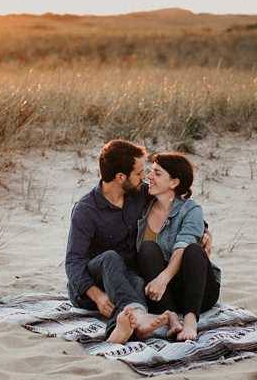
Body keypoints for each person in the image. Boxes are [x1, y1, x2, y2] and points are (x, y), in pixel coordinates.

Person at [65, 140, 212, 344]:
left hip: (125, 280)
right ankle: (139, 315)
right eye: (139, 173)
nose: (144, 178)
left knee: (138, 281)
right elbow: (73, 262)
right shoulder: (86, 210)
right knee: (110, 257)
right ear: (120, 177)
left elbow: (176, 208)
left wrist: (204, 231)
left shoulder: (138, 193)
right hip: (92, 286)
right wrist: (97, 295)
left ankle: (122, 330)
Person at [137, 152, 221, 341]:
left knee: (192, 249)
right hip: (164, 295)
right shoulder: (143, 205)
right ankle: (172, 317)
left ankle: (190, 320)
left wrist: (163, 278)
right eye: (151, 172)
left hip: (197, 290)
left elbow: (183, 245)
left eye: (157, 173)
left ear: (174, 182)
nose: (149, 177)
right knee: (147, 248)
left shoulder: (191, 210)